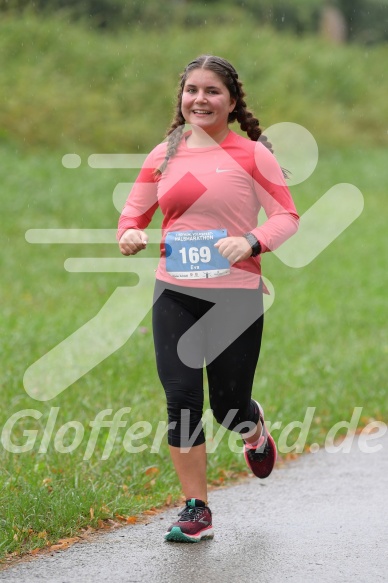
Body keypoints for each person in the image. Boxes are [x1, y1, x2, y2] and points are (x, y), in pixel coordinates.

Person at [117, 55, 299, 543]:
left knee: (228, 406)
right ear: (182, 97)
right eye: (192, 90)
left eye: (212, 91)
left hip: (235, 295)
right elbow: (132, 215)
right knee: (181, 400)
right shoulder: (165, 154)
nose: (200, 99)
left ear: (232, 101)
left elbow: (286, 215)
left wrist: (252, 241)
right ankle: (195, 509)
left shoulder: (251, 155)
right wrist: (131, 233)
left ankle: (253, 428)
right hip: (175, 291)